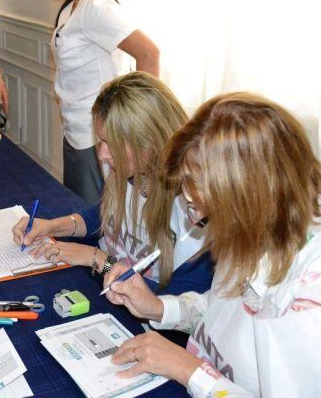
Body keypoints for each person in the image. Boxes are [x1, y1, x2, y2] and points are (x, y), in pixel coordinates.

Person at [104, 93, 321, 397]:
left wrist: (189, 370)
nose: (195, 223)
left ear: (245, 207)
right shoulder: (262, 232)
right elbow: (224, 309)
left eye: (200, 210)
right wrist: (160, 308)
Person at [12, 72, 210, 297]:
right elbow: (106, 216)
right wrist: (52, 226)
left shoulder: (194, 209)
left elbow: (175, 305)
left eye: (111, 143)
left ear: (150, 142)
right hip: (103, 284)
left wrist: (95, 258)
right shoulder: (129, 168)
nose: (102, 154)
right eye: (101, 141)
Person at [42, 0, 160, 205]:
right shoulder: (73, 7)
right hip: (75, 129)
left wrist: (138, 122)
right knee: (79, 209)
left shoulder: (96, 5)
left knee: (94, 219)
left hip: (96, 137)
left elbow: (149, 53)